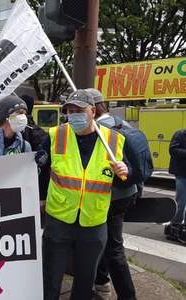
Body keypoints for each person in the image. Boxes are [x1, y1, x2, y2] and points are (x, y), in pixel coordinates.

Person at [38, 90, 128, 300]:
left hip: (93, 222)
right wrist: (42, 197)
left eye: (78, 110)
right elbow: (40, 169)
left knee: (85, 280)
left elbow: (131, 173)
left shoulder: (114, 140)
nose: (73, 114)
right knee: (50, 277)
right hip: (59, 219)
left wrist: (126, 170)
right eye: (70, 110)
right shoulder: (55, 135)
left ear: (93, 111)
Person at [88, 88, 137, 300]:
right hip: (128, 191)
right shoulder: (120, 122)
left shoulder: (99, 129)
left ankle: (126, 295)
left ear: (93, 109)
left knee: (112, 248)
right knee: (106, 243)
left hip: (111, 194)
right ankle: (101, 282)